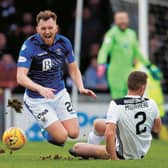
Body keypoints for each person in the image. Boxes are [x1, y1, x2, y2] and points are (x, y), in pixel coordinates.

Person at [17, 10, 96, 146]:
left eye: (50, 28)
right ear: (37, 29)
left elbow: (73, 68)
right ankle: (46, 129)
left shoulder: (64, 43)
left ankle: (52, 125)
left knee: (74, 133)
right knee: (61, 138)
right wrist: (40, 89)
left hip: (59, 93)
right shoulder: (29, 46)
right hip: (37, 99)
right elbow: (20, 77)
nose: (47, 31)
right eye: (43, 28)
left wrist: (81, 87)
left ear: (56, 28)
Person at [69, 71, 162, 160]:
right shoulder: (151, 103)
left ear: (128, 85)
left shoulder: (117, 104)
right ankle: (93, 151)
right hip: (139, 148)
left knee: (77, 148)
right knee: (97, 123)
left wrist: (114, 158)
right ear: (142, 88)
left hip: (123, 153)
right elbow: (157, 129)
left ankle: (93, 152)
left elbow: (110, 133)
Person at [97, 11, 161, 99]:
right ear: (115, 21)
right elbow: (104, 49)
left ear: (128, 20)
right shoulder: (111, 34)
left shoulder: (131, 34)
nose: (122, 21)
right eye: (120, 19)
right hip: (116, 73)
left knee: (131, 100)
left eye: (124, 19)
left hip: (129, 73)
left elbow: (137, 52)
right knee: (118, 101)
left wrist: (149, 66)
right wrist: (101, 62)